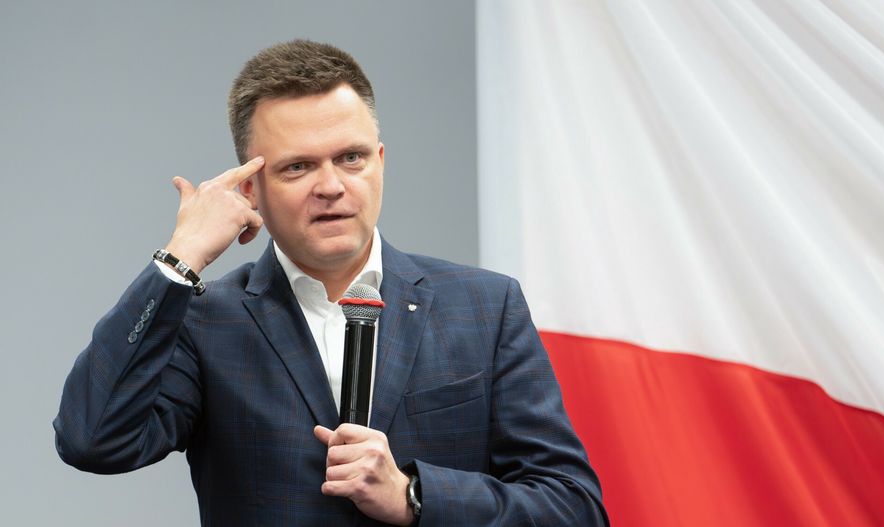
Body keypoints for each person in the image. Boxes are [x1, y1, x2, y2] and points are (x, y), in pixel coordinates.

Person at [54, 40, 607, 526]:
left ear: (380, 162)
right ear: (250, 191)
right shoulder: (205, 322)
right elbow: (93, 440)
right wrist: (180, 259)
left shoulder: (486, 306)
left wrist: (413, 496)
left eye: (351, 158)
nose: (331, 186)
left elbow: (572, 507)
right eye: (297, 167)